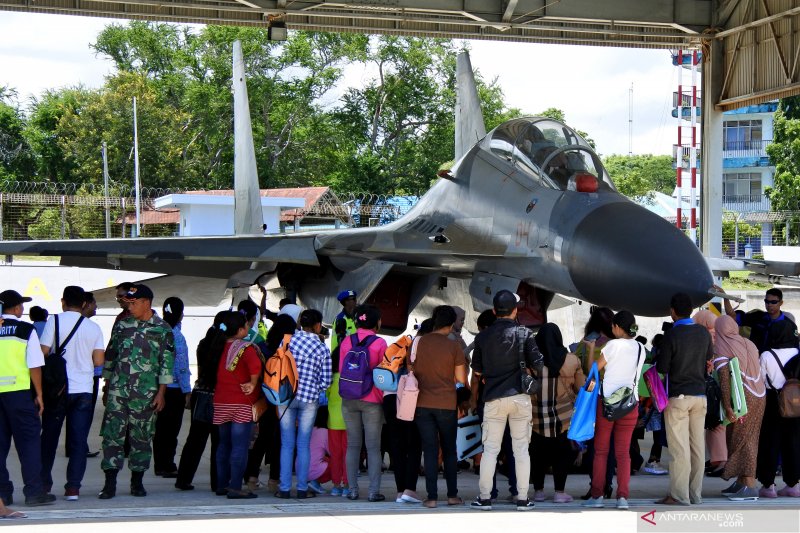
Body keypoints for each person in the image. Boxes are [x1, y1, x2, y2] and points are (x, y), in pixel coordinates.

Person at [99, 284, 175, 500]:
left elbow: (166, 364)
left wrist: (161, 393)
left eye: (133, 303)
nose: (129, 307)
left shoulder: (163, 329)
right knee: (112, 436)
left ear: (146, 303)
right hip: (118, 391)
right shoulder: (122, 325)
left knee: (141, 437)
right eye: (128, 303)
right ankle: (109, 483)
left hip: (146, 394)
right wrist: (106, 386)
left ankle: (137, 482)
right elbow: (111, 355)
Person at [470, 290, 542, 512]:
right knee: (521, 449)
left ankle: (484, 499)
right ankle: (522, 499)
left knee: (490, 449)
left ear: (494, 311)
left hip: (493, 398)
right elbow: (539, 365)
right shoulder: (525, 333)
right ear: (515, 310)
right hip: (520, 397)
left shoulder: (482, 337)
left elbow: (478, 370)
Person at [39, 285, 105, 501]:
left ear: (63, 301)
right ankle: (73, 489)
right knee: (78, 441)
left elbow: (44, 352)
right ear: (85, 304)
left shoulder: (54, 321)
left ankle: (44, 485)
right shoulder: (94, 329)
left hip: (57, 390)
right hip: (83, 390)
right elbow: (98, 361)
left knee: (49, 439)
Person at [582, 311, 645, 510]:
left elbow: (594, 370)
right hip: (630, 405)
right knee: (623, 453)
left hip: (607, 404)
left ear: (617, 327)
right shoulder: (641, 348)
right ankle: (623, 498)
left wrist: (591, 349)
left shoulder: (612, 346)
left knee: (601, 451)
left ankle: (597, 495)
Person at [656, 292, 713, 506]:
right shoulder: (703, 333)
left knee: (679, 448)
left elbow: (662, 368)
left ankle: (679, 495)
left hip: (678, 396)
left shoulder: (672, 335)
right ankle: (695, 494)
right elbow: (709, 359)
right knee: (697, 447)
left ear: (672, 311)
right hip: (700, 396)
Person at [0, 290, 55, 507]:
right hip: (19, 395)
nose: (23, 309)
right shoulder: (25, 329)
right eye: (21, 305)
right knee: (29, 444)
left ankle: (3, 494)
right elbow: (35, 364)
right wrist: (39, 394)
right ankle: (33, 492)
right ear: (15, 308)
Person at [413, 305, 468, 508]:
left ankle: (431, 497)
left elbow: (413, 369)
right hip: (447, 403)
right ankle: (452, 495)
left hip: (423, 403)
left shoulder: (420, 343)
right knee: (449, 450)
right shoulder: (453, 346)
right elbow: (461, 378)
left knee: (429, 449)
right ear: (452, 323)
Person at [276, 309, 332, 499]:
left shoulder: (287, 341)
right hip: (309, 400)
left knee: (286, 444)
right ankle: (301, 488)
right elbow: (326, 382)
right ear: (318, 326)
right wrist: (314, 387)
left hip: (285, 397)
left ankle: (284, 488)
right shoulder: (322, 348)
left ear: (300, 323)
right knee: (304, 445)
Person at [711, 315, 766, 501]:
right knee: (748, 437)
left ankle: (749, 485)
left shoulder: (722, 345)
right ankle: (742, 482)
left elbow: (725, 379)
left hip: (742, 397)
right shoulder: (748, 343)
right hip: (759, 395)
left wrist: (727, 406)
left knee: (742, 440)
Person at [212, 311, 264, 499]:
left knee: (223, 445)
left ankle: (221, 485)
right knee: (240, 446)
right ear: (240, 330)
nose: (249, 329)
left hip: (221, 401)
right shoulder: (246, 348)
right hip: (241, 403)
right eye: (246, 326)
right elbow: (256, 367)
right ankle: (235, 487)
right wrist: (252, 382)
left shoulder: (217, 346)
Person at [531, 323, 584, 503]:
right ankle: (559, 492)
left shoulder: (531, 361)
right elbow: (580, 387)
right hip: (563, 418)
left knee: (537, 454)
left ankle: (538, 491)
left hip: (536, 417)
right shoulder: (572, 360)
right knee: (562, 454)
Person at [339, 304, 387, 502]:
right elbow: (383, 373)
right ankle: (374, 492)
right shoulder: (379, 343)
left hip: (349, 398)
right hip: (372, 400)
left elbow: (343, 369)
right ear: (377, 322)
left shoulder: (346, 341)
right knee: (374, 447)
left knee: (353, 445)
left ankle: (352, 490)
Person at [175, 311, 226, 492]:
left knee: (194, 441)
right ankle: (218, 482)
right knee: (219, 442)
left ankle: (183, 479)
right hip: (218, 396)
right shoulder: (226, 347)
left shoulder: (204, 343)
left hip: (201, 393)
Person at [757, 319, 800, 498]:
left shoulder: (766, 355)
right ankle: (794, 485)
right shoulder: (798, 352)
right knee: (794, 443)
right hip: (796, 402)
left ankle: (769, 486)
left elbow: (761, 380)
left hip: (773, 402)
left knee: (770, 443)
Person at [153, 297, 191, 478]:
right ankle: (168, 464)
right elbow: (181, 366)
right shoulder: (176, 335)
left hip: (157, 386)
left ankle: (159, 464)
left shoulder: (157, 330)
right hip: (173, 388)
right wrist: (187, 390)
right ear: (181, 314)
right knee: (171, 429)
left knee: (160, 428)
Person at [693, 309, 727, 478]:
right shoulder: (719, 336)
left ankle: (720, 461)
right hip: (718, 389)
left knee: (714, 425)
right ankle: (716, 460)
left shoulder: (705, 337)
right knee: (715, 424)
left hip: (709, 389)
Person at [724, 287, 795, 354]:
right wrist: (725, 297)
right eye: (767, 301)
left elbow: (794, 349)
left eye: (773, 302)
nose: (769, 304)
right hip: (755, 360)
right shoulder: (757, 316)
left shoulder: (789, 325)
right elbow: (732, 316)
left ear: (781, 303)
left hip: (776, 363)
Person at [326, 340, 349, 497]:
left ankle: (335, 485)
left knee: (335, 455)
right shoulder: (350, 377)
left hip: (333, 422)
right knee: (349, 454)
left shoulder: (331, 378)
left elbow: (326, 396)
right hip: (349, 421)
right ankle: (347, 484)